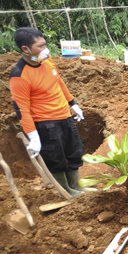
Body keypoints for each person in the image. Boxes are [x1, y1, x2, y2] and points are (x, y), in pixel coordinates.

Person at [9, 27, 85, 196]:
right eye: (40, 47)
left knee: (73, 153)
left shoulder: (48, 63)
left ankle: (76, 186)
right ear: (26, 49)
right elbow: (22, 109)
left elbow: (59, 83)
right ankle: (65, 191)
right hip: (46, 124)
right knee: (56, 159)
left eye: (45, 45)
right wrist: (33, 136)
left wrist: (73, 104)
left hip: (65, 116)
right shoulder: (19, 76)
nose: (46, 50)